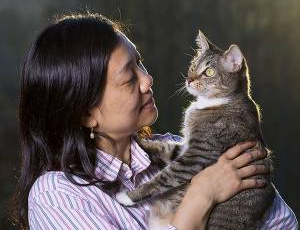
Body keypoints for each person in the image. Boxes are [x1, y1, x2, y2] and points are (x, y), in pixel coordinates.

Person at [10, 13, 297, 230]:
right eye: (128, 77)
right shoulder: (59, 196)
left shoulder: (179, 149)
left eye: (140, 62)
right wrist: (201, 196)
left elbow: (284, 224)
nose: (148, 80)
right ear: (86, 113)